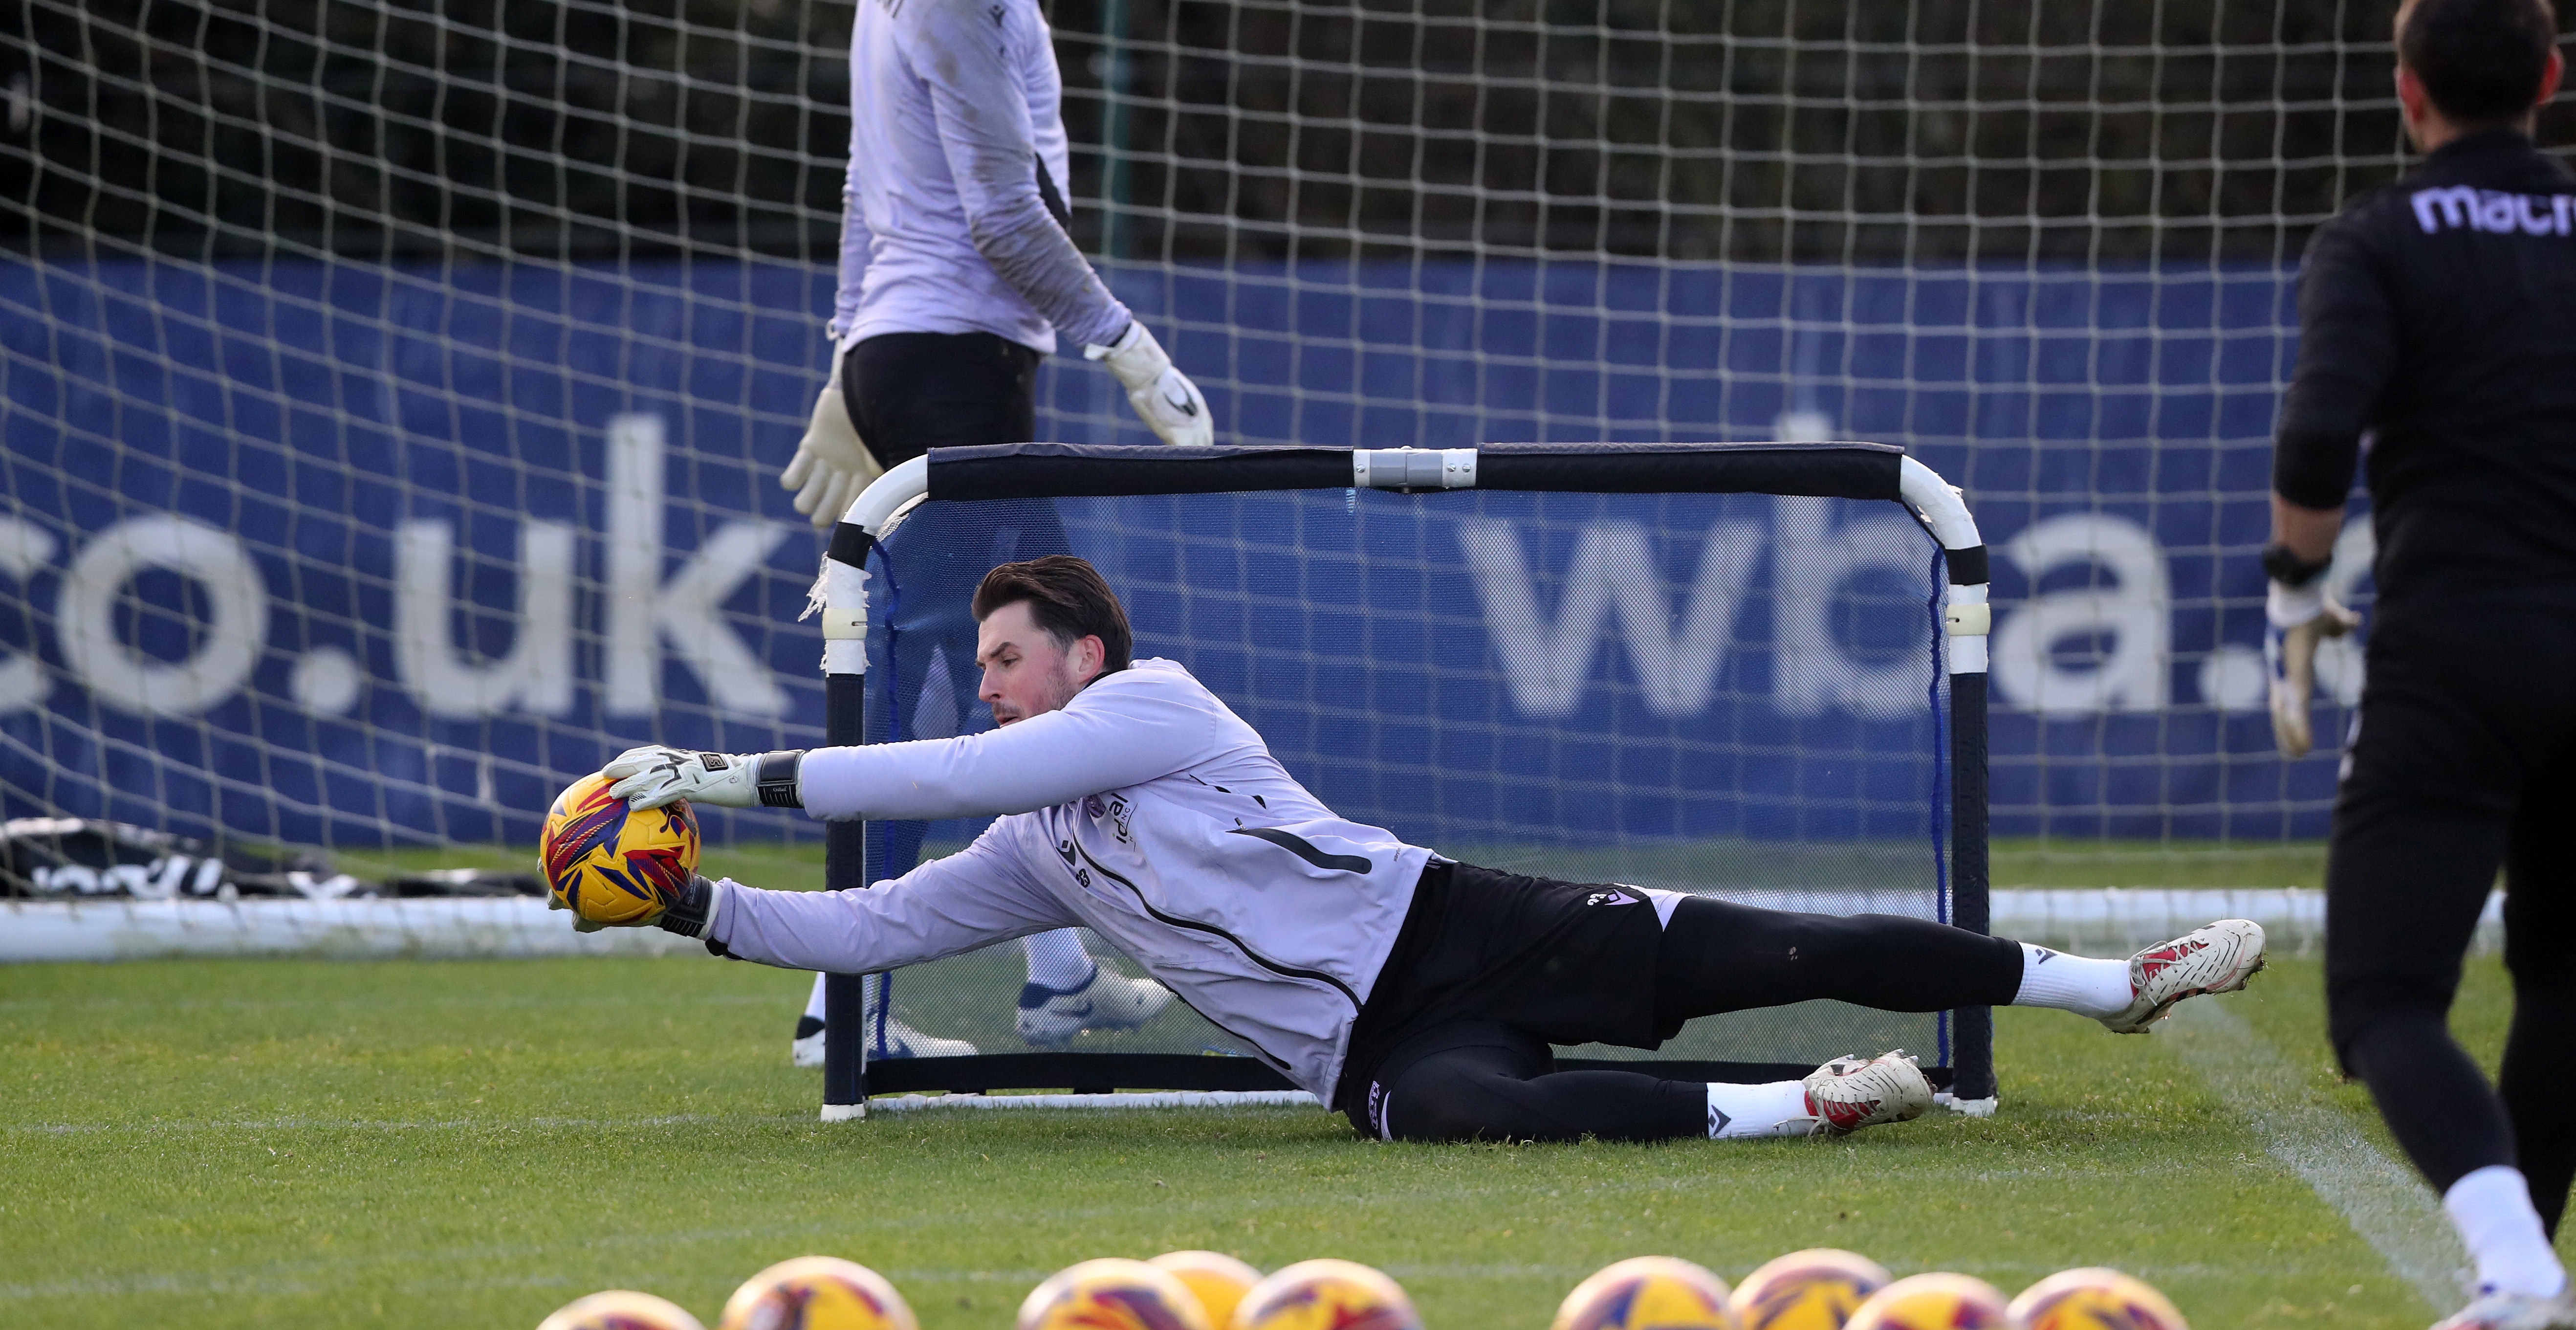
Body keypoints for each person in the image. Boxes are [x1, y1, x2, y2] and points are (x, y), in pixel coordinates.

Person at [599, 555, 2268, 1144]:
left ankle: (2109, 981)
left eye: (1013, 656)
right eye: (987, 667)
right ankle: (1806, 1107)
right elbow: (879, 925)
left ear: (1085, 661)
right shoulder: (1048, 846)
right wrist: (693, 906)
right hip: (1369, 1046)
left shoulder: (1158, 704)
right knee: (1473, 1118)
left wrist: (714, 768)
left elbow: (948, 769)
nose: (993, 681)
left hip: (1461, 925)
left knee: (1785, 950)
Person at [771, 0, 1211, 1065]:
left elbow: (870, 188)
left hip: (915, 356)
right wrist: (1129, 347)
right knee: (1032, 688)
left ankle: (1049, 976)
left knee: (957, 687)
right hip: (954, 362)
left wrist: (851, 359)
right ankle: (843, 1007)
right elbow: (1003, 215)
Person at [2264, 0, 2576, 1330]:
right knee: (2557, 968)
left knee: (2382, 997)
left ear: (2408, 92)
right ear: (2552, 82)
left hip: (2461, 648)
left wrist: (2290, 585)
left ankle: (2517, 1273)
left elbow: (2320, 438)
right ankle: (2527, 1276)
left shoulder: (2381, 238)